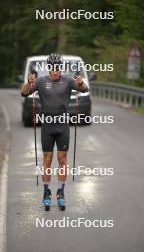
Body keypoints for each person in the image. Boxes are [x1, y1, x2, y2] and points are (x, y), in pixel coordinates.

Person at [21, 53, 88, 209]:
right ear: (48, 68)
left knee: (62, 158)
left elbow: (83, 90)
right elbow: (25, 93)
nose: (55, 71)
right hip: (47, 126)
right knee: (47, 159)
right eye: (52, 68)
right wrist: (28, 82)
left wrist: (81, 82)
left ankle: (61, 191)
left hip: (63, 125)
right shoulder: (41, 81)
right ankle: (46, 192)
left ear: (61, 68)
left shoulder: (68, 81)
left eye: (58, 68)